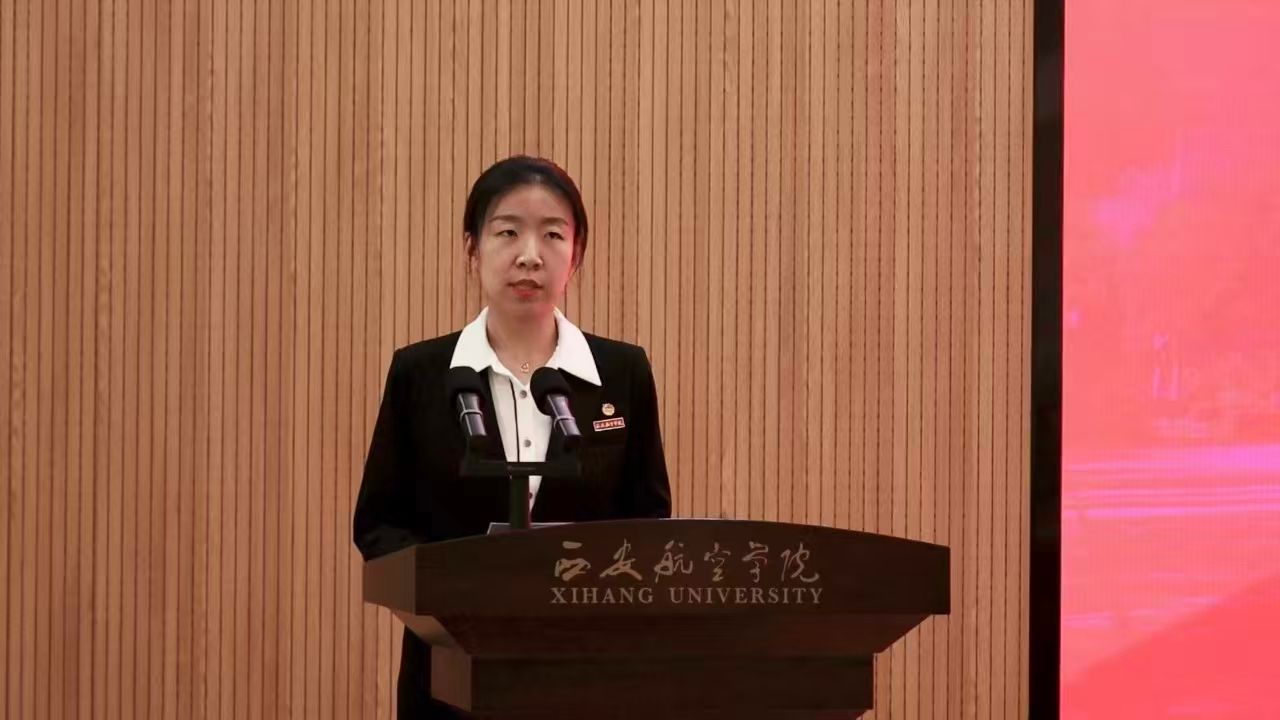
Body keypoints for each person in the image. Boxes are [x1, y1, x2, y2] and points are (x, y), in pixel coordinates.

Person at [352, 155, 672, 718]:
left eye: (552, 234)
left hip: (586, 677)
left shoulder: (621, 373)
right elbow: (379, 523)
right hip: (449, 675)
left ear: (576, 253)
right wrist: (448, 604)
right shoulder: (422, 374)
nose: (530, 254)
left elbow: (647, 519)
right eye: (507, 232)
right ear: (472, 249)